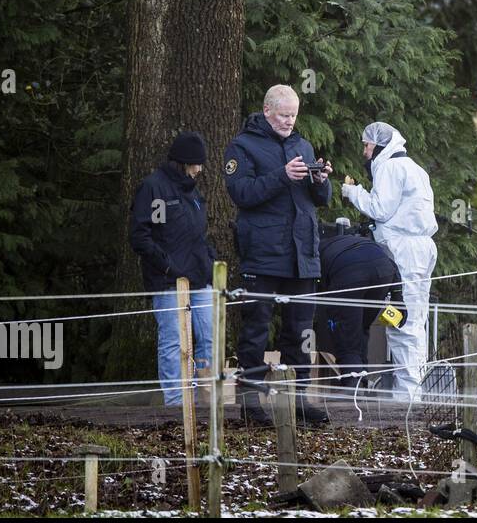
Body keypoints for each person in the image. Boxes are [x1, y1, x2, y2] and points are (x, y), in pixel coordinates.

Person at [223, 85, 331, 426]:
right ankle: (250, 401)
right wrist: (281, 176)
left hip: (303, 257)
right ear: (268, 111)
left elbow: (320, 199)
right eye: (284, 115)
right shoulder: (243, 146)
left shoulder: (302, 145)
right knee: (256, 330)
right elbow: (241, 193)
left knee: (299, 331)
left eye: (294, 115)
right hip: (263, 255)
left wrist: (320, 180)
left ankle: (298, 401)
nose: (289, 121)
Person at [341, 122, 437, 400]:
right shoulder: (414, 168)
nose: (365, 151)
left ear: (380, 145)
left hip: (404, 248)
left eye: (367, 145)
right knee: (416, 318)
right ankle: (414, 387)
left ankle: (408, 394)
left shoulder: (390, 168)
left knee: (402, 318)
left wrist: (354, 192)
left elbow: (380, 209)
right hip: (421, 248)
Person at [129, 131, 215, 407]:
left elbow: (198, 234)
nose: (200, 170)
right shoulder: (154, 188)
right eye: (196, 164)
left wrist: (208, 262)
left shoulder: (194, 192)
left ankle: (204, 397)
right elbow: (141, 235)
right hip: (168, 282)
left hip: (200, 279)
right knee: (173, 342)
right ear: (183, 162)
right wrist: (168, 267)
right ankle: (176, 402)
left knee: (208, 337)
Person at [316, 219, 399, 390]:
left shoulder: (316, 251)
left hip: (349, 271)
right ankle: (362, 377)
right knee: (361, 327)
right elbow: (391, 262)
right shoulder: (353, 240)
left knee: (345, 332)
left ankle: (352, 384)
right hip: (383, 268)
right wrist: (399, 298)